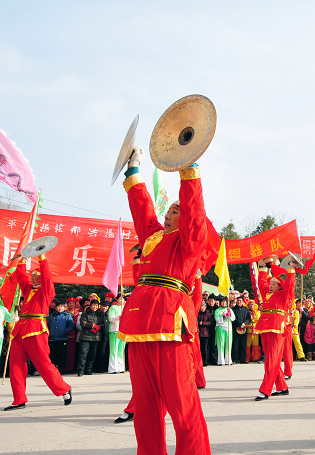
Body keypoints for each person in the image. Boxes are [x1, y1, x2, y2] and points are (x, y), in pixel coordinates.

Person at [117, 147, 211, 454]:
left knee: (183, 407)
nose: (170, 212)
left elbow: (194, 211)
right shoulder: (154, 238)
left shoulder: (189, 242)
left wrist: (188, 170)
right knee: (145, 409)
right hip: (139, 320)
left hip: (170, 320)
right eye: (168, 209)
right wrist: (134, 171)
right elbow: (143, 210)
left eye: (176, 209)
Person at [5, 256, 72, 410]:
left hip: (36, 329)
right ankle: (19, 399)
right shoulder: (29, 289)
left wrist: (42, 259)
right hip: (20, 329)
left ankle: (64, 388)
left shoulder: (47, 291)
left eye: (37, 276)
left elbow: (48, 277)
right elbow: (22, 278)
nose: (34, 278)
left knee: (42, 364)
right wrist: (21, 261)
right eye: (33, 276)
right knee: (15, 365)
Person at [254, 260, 296, 400]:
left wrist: (291, 270)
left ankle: (265, 390)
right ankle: (282, 386)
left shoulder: (284, 295)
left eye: (273, 284)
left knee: (271, 360)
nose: (270, 285)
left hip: (278, 327)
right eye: (270, 283)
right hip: (265, 326)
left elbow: (290, 285)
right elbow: (261, 283)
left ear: (280, 286)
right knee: (271, 359)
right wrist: (264, 268)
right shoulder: (267, 294)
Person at [76, 298, 105, 375]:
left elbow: (103, 324)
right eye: (93, 305)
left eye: (96, 305)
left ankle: (88, 370)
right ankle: (80, 370)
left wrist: (98, 327)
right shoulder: (85, 313)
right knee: (83, 354)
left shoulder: (100, 314)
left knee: (92, 355)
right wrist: (92, 325)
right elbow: (83, 323)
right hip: (85, 336)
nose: (94, 307)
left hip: (96, 337)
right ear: (90, 305)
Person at [47, 300, 75, 373]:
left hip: (63, 338)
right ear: (56, 308)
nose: (60, 308)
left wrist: (65, 331)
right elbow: (47, 325)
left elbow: (71, 325)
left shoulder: (67, 315)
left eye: (61, 306)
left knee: (63, 355)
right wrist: (50, 333)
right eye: (58, 306)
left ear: (64, 307)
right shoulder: (51, 316)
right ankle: (53, 370)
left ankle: (62, 370)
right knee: (53, 355)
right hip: (52, 339)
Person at [107, 294, 125, 373]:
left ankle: (120, 367)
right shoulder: (113, 307)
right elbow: (111, 318)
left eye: (123, 299)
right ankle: (113, 368)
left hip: (123, 331)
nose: (121, 300)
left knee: (121, 350)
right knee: (114, 350)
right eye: (120, 299)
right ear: (117, 299)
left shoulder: (126, 307)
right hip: (115, 330)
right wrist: (119, 317)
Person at [214, 296, 234, 365]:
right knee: (221, 344)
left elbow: (233, 318)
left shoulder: (230, 309)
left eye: (225, 301)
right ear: (220, 303)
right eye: (222, 302)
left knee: (229, 344)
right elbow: (217, 319)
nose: (224, 303)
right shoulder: (217, 310)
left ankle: (228, 360)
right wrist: (224, 316)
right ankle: (221, 361)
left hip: (228, 328)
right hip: (220, 328)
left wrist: (230, 314)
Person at [231, 295, 251, 364]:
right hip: (236, 329)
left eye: (240, 301)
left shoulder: (246, 309)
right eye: (238, 301)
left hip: (244, 330)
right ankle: (235, 359)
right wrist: (239, 324)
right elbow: (233, 319)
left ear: (243, 302)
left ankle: (243, 359)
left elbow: (249, 317)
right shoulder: (233, 309)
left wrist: (245, 323)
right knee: (235, 345)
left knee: (243, 344)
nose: (239, 302)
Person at [197, 300, 214, 366]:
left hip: (206, 333)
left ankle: (205, 361)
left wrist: (203, 323)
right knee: (199, 348)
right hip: (199, 333)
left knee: (205, 349)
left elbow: (210, 322)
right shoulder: (197, 314)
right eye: (201, 306)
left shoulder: (208, 314)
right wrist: (199, 323)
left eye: (204, 306)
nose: (202, 308)